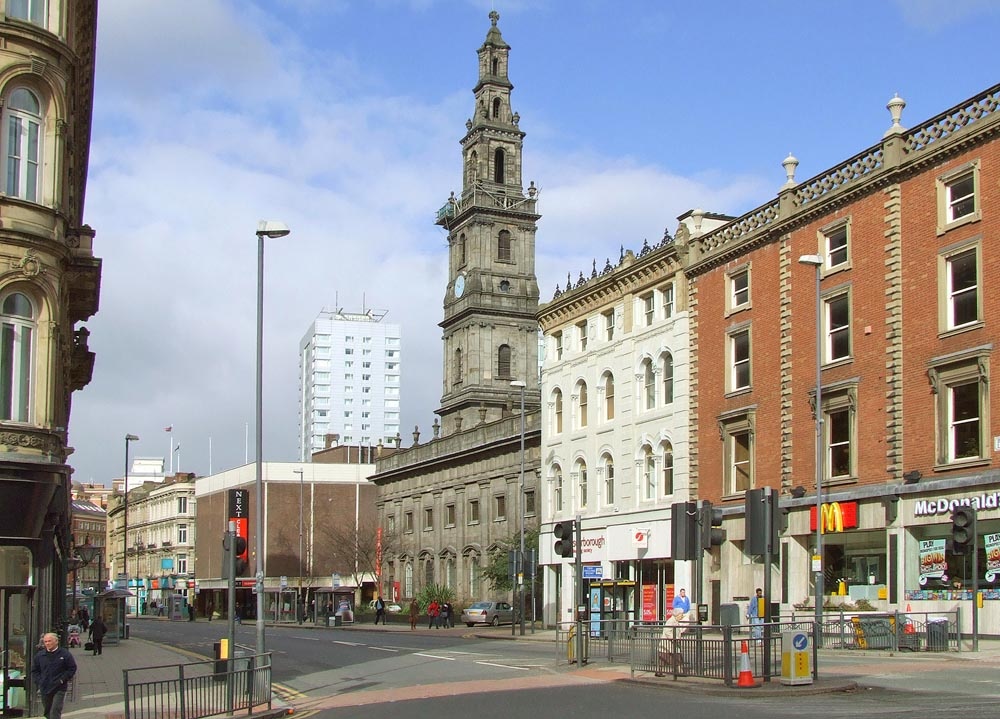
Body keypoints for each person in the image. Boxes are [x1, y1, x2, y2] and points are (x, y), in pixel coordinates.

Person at [31, 632, 76, 719]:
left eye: (49, 641)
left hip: (59, 688)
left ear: (56, 641)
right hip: (45, 687)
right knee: (47, 711)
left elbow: (72, 668)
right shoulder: (40, 656)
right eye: (45, 642)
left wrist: (62, 680)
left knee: (55, 710)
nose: (47, 643)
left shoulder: (64, 654)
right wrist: (40, 681)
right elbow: (34, 671)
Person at [656, 608, 687, 676]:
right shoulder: (671, 621)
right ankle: (676, 672)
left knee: (675, 657)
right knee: (666, 658)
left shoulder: (675, 621)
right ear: (677, 615)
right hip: (668, 643)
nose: (682, 617)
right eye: (681, 615)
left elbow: (677, 631)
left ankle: (677, 671)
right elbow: (667, 632)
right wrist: (674, 638)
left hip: (671, 644)